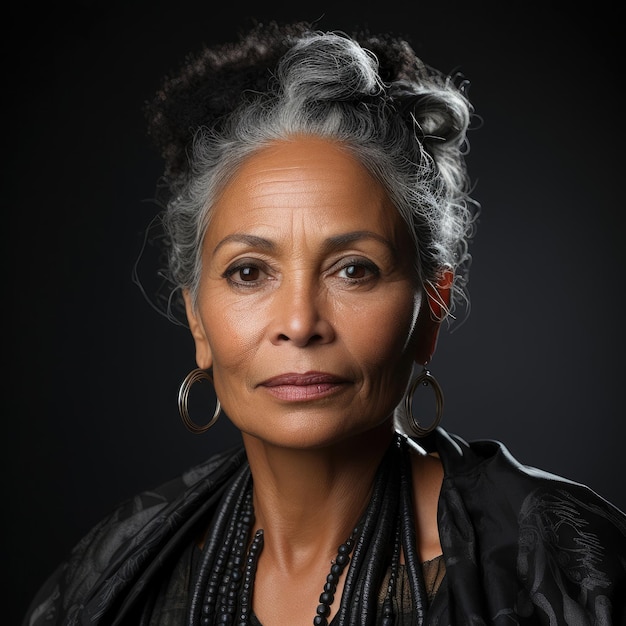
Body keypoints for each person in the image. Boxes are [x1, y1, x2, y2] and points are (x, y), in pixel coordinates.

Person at [23, 20, 626, 626]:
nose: (299, 322)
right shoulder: (116, 576)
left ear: (430, 311)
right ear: (198, 321)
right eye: (250, 272)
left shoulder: (564, 571)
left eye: (354, 270)